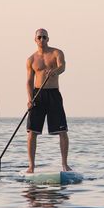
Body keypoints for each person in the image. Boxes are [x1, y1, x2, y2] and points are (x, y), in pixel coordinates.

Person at [25, 28, 71, 172]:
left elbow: (62, 66)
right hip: (37, 95)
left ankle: (64, 164)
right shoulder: (31, 59)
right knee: (32, 132)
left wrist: (55, 71)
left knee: (62, 131)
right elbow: (28, 81)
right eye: (39, 37)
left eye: (44, 37)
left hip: (53, 94)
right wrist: (29, 99)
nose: (42, 40)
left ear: (48, 39)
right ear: (35, 39)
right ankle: (31, 166)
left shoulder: (57, 53)